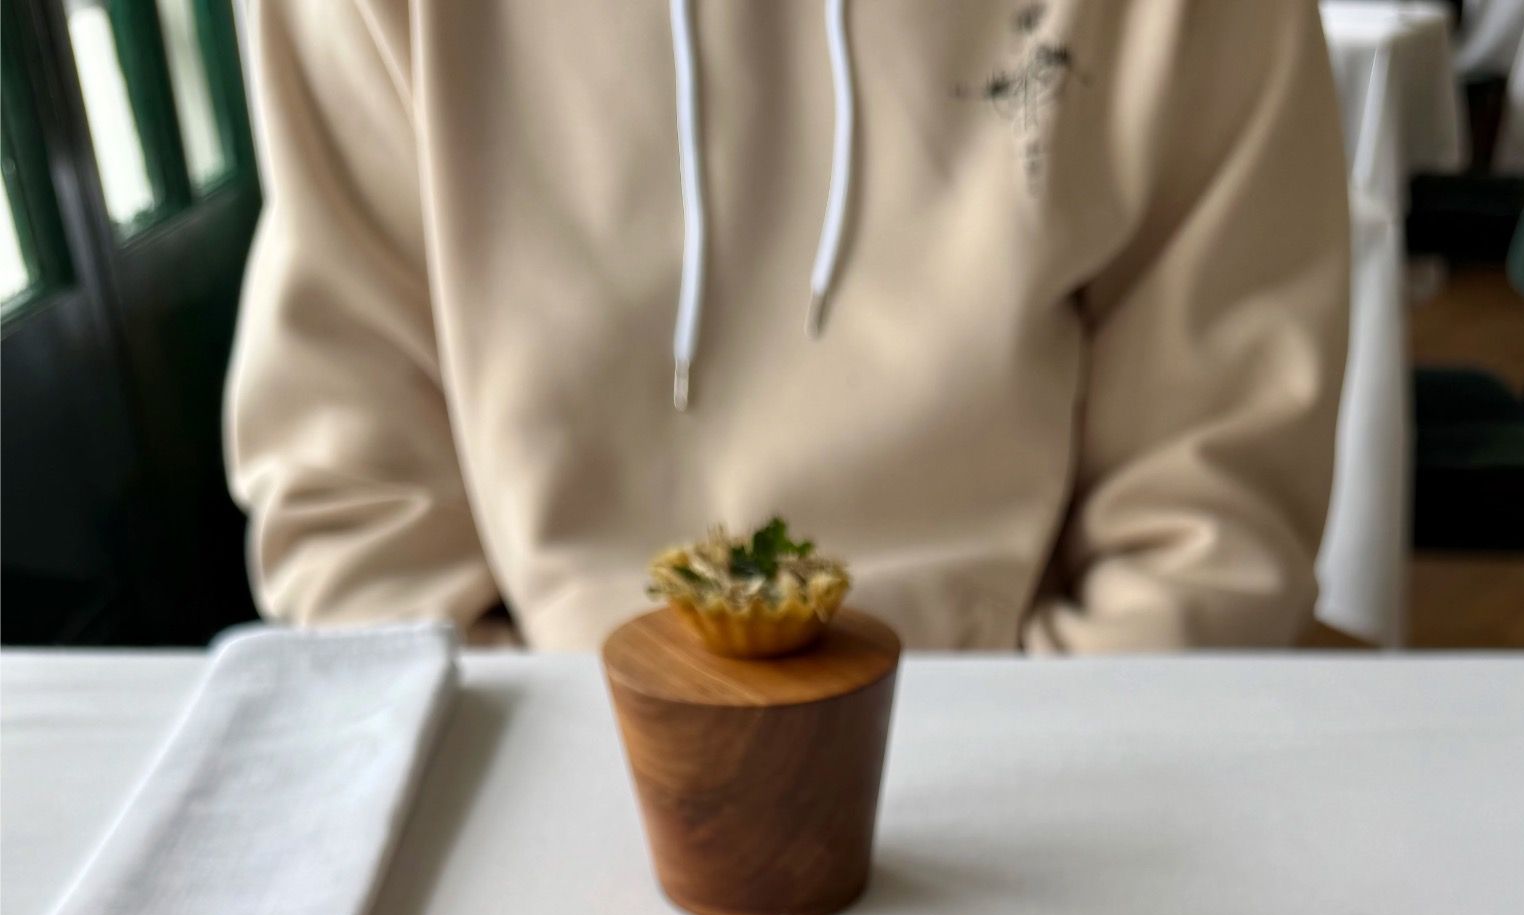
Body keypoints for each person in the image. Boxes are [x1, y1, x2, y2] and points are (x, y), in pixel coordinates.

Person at [228, 1, 1349, 652]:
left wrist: (1033, 788)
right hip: (559, 774)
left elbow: (1210, 508)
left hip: (1046, 778)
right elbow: (359, 504)